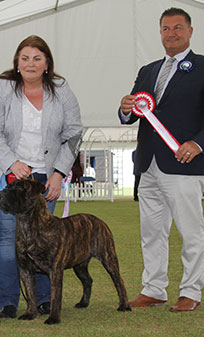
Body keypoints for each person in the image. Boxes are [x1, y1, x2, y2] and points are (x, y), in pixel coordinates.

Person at [0, 35, 82, 318]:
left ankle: (44, 300)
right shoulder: (1, 87)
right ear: (17, 62)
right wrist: (12, 163)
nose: (30, 63)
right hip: (5, 170)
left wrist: (59, 172)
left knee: (43, 237)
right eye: (25, 58)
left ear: (47, 63)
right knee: (10, 235)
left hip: (45, 175)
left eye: (37, 58)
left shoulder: (61, 89)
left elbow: (73, 133)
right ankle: (9, 301)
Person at [119, 7, 204, 312]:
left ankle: (191, 291)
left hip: (184, 163)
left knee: (191, 232)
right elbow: (130, 115)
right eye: (166, 29)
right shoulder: (148, 70)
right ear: (160, 33)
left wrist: (197, 143)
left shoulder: (202, 66)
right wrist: (126, 107)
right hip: (148, 165)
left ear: (190, 31)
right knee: (151, 232)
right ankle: (154, 289)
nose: (171, 33)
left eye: (178, 28)